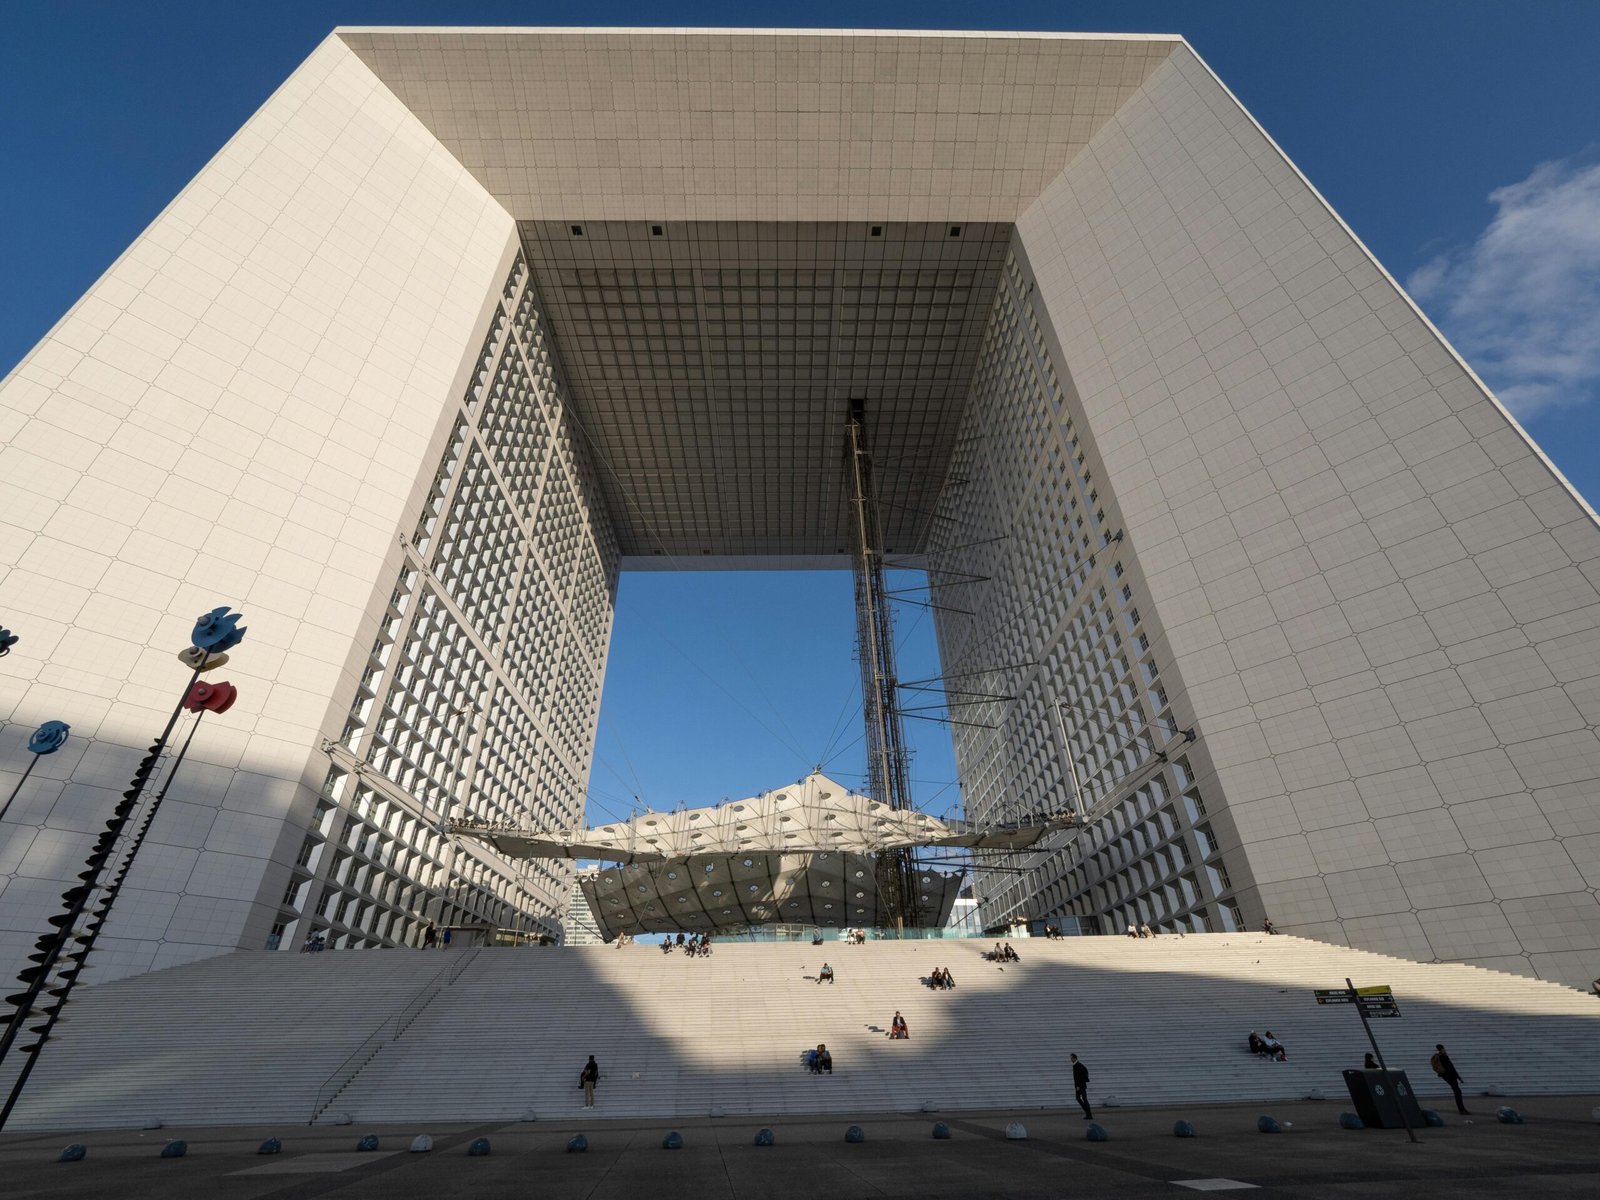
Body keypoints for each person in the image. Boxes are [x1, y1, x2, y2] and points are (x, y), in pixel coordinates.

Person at [1431, 1043, 1470, 1114]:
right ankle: (1462, 1110)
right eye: (1444, 1048)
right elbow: (1451, 1068)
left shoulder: (1438, 1056)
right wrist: (1458, 1077)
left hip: (1444, 1075)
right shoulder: (1444, 1057)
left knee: (1457, 1091)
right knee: (1457, 1092)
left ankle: (1462, 1109)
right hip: (1450, 1076)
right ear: (1442, 1049)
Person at [1071, 1053, 1092, 1119]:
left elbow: (1079, 1076)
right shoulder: (1076, 1065)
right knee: (1079, 1099)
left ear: (1075, 1058)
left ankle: (1089, 1114)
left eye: (1071, 1058)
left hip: (1081, 1086)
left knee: (1084, 1099)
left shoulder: (1078, 1065)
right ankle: (1088, 1113)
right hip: (1080, 1085)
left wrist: (1078, 1085)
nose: (1070, 1059)